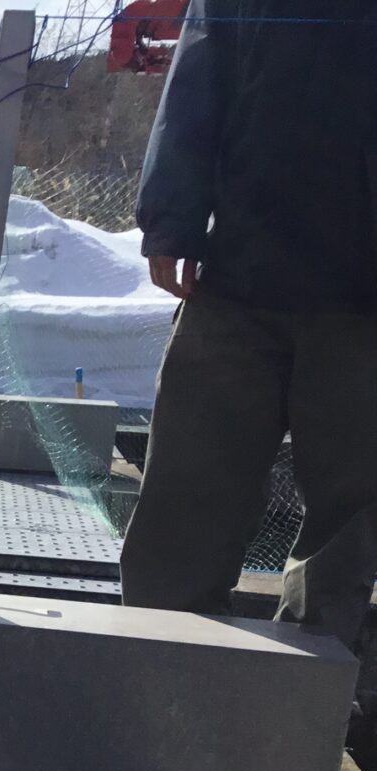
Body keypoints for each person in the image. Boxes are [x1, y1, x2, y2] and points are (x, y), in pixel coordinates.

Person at [121, 0, 377, 659]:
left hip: (361, 307)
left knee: (349, 517)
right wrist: (173, 217)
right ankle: (158, 674)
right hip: (237, 273)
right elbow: (199, 76)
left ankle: (304, 703)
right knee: (188, 491)